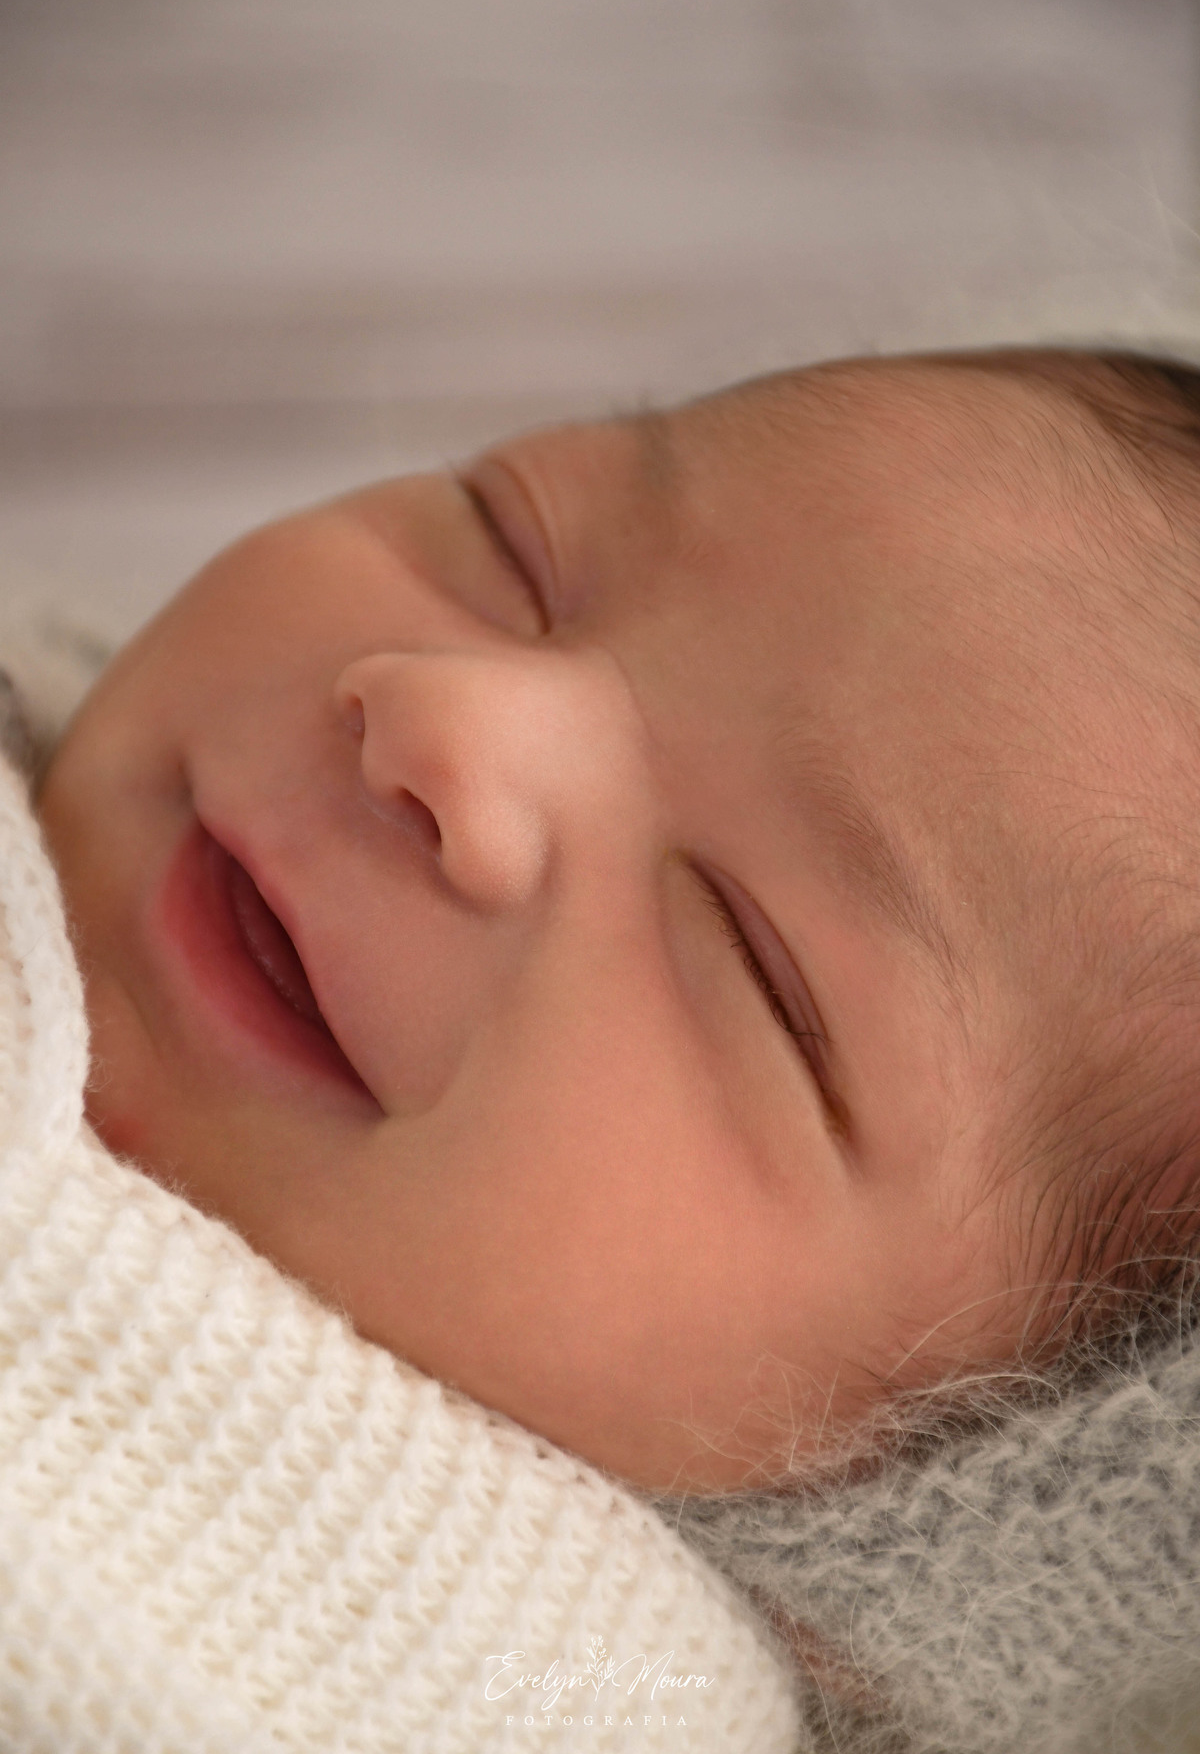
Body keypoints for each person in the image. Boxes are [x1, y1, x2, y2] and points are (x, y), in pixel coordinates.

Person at [11, 344, 1200, 1749]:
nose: (452, 721)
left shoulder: (564, 1695)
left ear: (891, 1532)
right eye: (519, 548)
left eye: (750, 961)